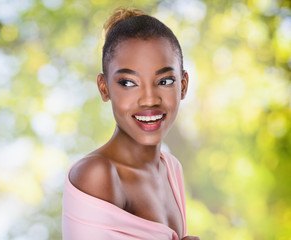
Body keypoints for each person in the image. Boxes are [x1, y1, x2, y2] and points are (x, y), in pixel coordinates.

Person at [62, 8, 200, 240]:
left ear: (183, 85)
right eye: (128, 83)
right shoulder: (97, 174)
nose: (149, 99)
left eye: (164, 81)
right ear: (104, 88)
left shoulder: (171, 169)